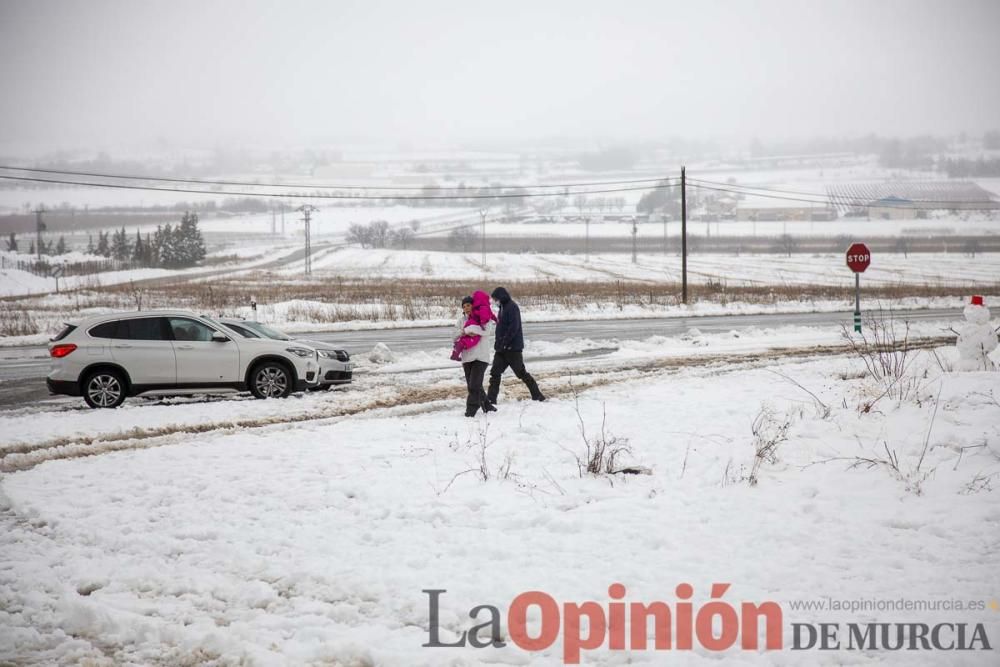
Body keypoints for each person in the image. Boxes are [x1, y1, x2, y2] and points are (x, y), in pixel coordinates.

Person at [487, 286, 545, 404]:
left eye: (496, 299)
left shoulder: (512, 307)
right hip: (501, 350)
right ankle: (491, 400)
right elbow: (501, 328)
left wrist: (504, 342)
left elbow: (514, 328)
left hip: (513, 350)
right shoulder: (502, 308)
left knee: (521, 373)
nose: (495, 301)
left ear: (501, 297)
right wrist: (498, 344)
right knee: (495, 373)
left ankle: (538, 395)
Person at [454, 292, 497, 417]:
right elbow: (454, 336)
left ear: (473, 305)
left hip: (480, 357)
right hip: (467, 358)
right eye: (464, 306)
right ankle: (487, 406)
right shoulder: (461, 321)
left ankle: (470, 411)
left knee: (474, 386)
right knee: (474, 386)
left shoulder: (483, 317)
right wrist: (464, 332)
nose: (466, 308)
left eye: (468, 305)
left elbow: (487, 331)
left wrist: (470, 330)